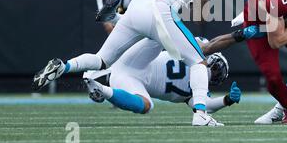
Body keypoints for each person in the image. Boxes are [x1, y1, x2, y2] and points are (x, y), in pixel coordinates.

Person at [33, 0, 224, 127]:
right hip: (162, 12)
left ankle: (63, 66)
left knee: (102, 60)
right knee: (198, 62)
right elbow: (200, 11)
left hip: (136, 7)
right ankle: (201, 115)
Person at [83, 38, 241, 116]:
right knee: (158, 32)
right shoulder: (197, 89)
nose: (215, 74)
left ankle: (102, 89)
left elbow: (205, 105)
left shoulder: (198, 91)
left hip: (131, 72)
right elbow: (207, 106)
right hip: (137, 63)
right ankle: (117, 19)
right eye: (217, 71)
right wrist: (227, 100)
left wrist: (227, 100)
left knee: (146, 106)